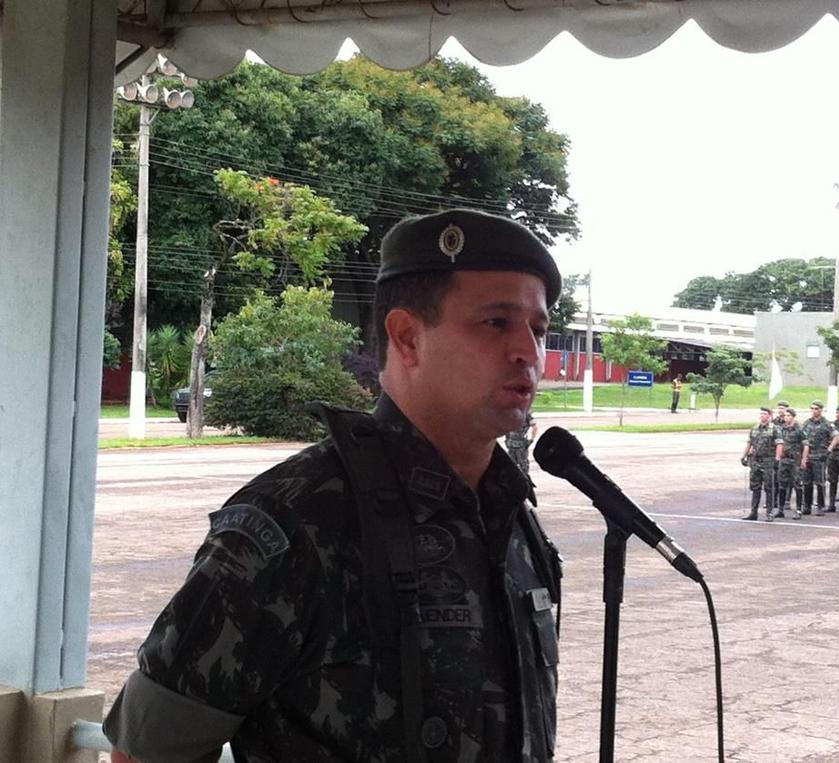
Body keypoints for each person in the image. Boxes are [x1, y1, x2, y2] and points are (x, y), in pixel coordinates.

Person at [103, 208, 564, 762]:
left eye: (537, 330)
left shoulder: (511, 516)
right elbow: (147, 751)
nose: (528, 352)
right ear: (407, 337)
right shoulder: (299, 518)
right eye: (496, 323)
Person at [742, 406, 779, 521]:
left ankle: (769, 513)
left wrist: (777, 458)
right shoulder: (755, 429)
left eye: (764, 414)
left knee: (769, 487)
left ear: (769, 416)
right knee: (755, 487)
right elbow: (750, 443)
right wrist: (744, 455)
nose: (762, 416)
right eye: (761, 414)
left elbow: (779, 444)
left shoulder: (774, 429)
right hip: (755, 461)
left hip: (768, 460)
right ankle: (754, 512)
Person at [775, 407, 809, 520]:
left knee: (797, 485)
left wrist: (804, 459)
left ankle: (798, 509)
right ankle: (780, 509)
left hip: (795, 461)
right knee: (782, 485)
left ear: (793, 417)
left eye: (789, 416)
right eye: (785, 416)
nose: (786, 418)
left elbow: (806, 445)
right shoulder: (781, 429)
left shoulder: (799, 430)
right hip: (784, 460)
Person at [801, 400, 832, 515]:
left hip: (820, 456)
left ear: (821, 410)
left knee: (820, 482)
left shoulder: (827, 424)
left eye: (816, 409)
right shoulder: (806, 423)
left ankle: (820, 506)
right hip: (808, 456)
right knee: (807, 482)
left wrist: (828, 450)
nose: (814, 411)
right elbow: (801, 438)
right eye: (812, 408)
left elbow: (836, 437)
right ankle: (807, 506)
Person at [506, 411, 539, 475]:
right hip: (511, 444)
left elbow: (535, 427)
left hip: (521, 445)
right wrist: (507, 439)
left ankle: (524, 480)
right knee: (510, 464)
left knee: (523, 465)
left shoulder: (526, 415)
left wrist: (531, 439)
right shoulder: (511, 413)